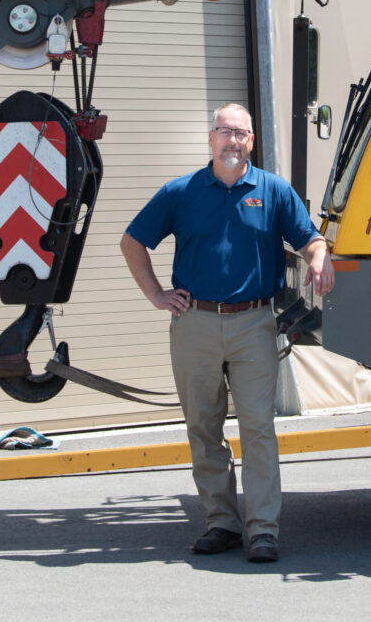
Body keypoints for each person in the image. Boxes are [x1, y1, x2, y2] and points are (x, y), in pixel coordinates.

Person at [120, 103, 334, 563]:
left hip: (254, 323)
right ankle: (221, 523)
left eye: (241, 134)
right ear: (210, 139)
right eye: (224, 132)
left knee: (258, 427)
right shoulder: (180, 192)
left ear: (251, 142)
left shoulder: (273, 191)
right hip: (193, 323)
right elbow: (132, 241)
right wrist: (157, 294)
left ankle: (263, 530)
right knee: (203, 426)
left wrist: (319, 256)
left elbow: (310, 238)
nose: (232, 140)